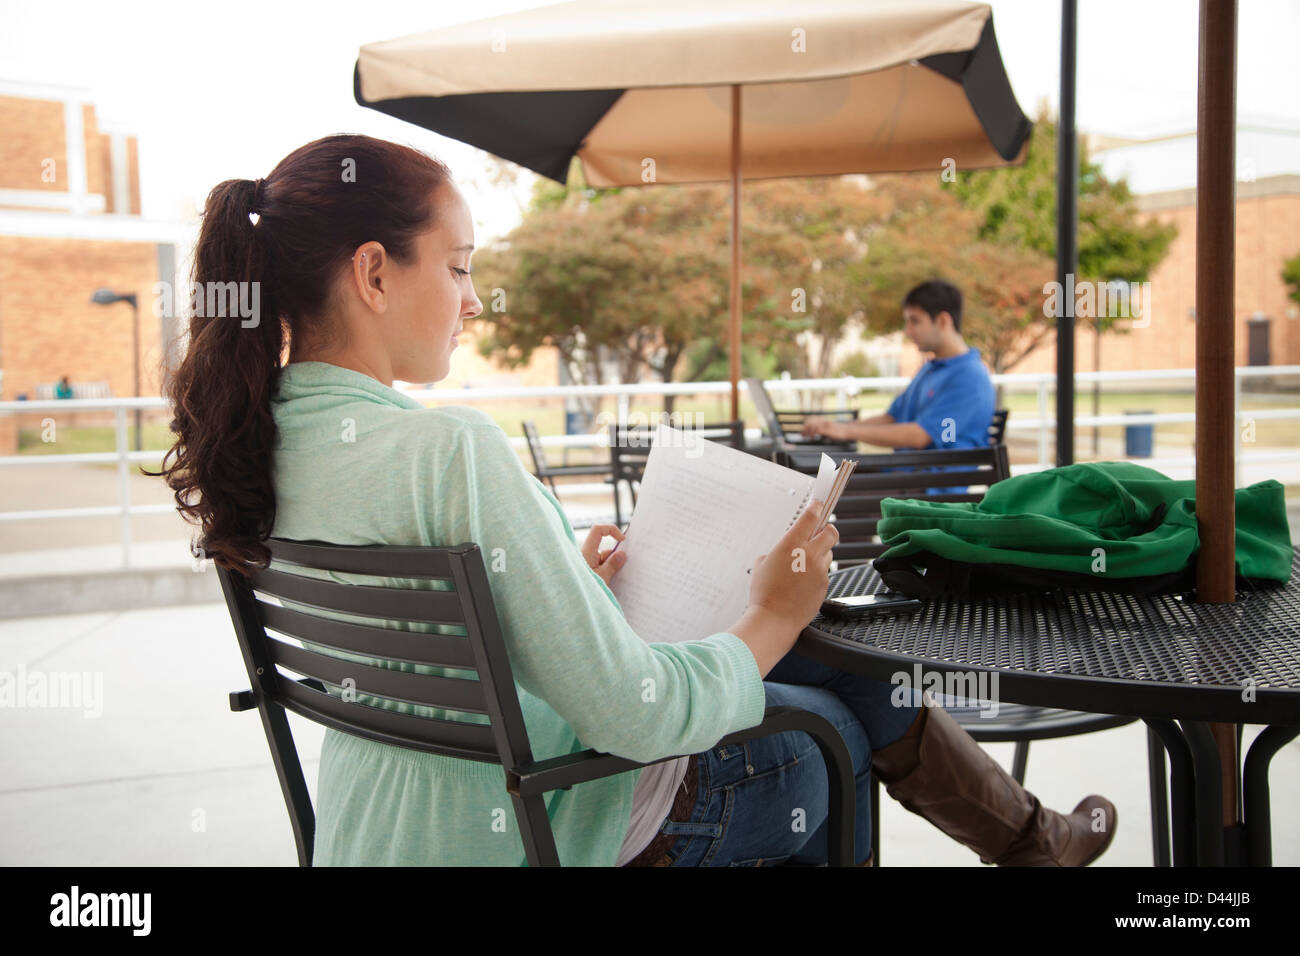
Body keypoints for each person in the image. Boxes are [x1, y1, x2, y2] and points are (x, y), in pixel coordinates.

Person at [148, 134, 1114, 867]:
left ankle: (1033, 844)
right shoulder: (446, 451)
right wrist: (776, 610)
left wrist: (563, 585)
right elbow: (638, 716)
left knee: (822, 683)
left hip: (382, 825)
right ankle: (1032, 844)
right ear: (371, 272)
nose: (475, 301)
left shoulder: (257, 439)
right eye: (457, 267)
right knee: (832, 724)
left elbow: (432, 648)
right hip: (539, 821)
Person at [801, 280, 995, 452]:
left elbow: (919, 436)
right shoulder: (931, 369)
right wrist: (833, 427)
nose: (907, 331)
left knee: (821, 480)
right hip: (906, 474)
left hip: (931, 486)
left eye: (915, 321)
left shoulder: (969, 377)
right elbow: (891, 418)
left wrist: (846, 431)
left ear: (943, 321)